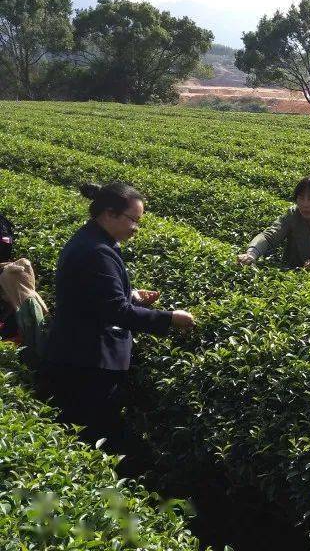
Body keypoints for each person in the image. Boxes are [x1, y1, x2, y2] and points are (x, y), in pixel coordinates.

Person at [39, 182, 195, 451]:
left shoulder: (93, 240)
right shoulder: (97, 252)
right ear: (109, 214)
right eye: (132, 220)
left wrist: (131, 295)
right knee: (91, 437)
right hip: (88, 362)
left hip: (77, 354)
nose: (136, 228)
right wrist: (169, 318)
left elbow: (94, 297)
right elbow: (116, 312)